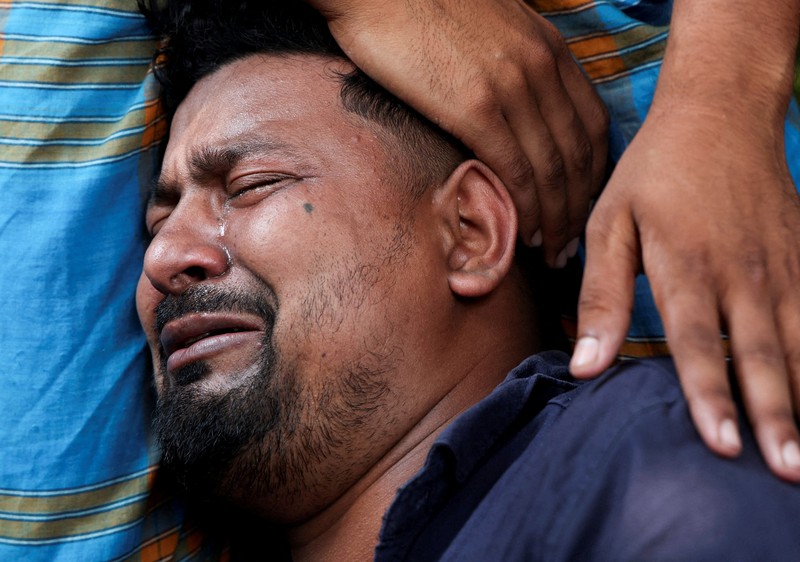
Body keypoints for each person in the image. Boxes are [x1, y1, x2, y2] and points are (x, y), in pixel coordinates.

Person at [136, 3, 800, 560]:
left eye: (252, 186)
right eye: (155, 225)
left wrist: (720, 99)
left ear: (470, 231)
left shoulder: (646, 484)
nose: (164, 257)